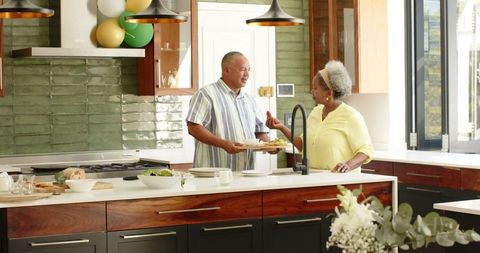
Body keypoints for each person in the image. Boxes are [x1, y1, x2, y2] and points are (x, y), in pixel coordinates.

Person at [266, 60, 373, 173]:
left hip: (340, 179)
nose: (312, 91)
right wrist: (281, 127)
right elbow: (302, 145)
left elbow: (366, 150)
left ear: (329, 93)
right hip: (314, 177)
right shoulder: (315, 112)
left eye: (315, 88)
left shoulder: (351, 116)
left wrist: (348, 165)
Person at [186, 51, 271, 171]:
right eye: (242, 69)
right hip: (212, 175)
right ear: (227, 70)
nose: (247, 74)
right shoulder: (206, 94)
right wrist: (223, 144)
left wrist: (270, 146)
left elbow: (259, 132)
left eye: (248, 70)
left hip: (246, 174)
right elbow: (193, 127)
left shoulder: (249, 100)